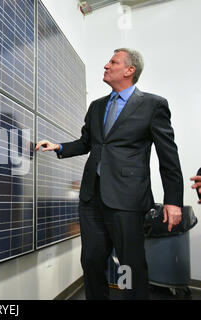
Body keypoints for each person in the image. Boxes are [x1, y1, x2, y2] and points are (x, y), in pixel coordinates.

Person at [35, 48, 183, 300]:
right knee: (91, 261)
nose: (106, 65)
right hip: (92, 198)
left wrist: (173, 200)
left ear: (129, 70)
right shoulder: (97, 106)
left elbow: (168, 155)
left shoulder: (153, 105)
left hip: (128, 199)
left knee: (129, 265)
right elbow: (87, 142)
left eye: (113, 62)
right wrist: (59, 146)